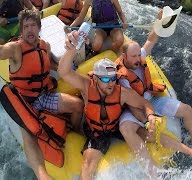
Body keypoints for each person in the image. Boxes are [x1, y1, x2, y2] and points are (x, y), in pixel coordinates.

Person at [115, 10, 192, 169]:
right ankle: (151, 168)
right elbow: (133, 103)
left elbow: (152, 38)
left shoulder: (139, 57)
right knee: (128, 128)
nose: (138, 59)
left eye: (138, 55)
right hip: (135, 106)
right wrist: (147, 120)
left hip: (151, 99)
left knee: (186, 110)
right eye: (133, 56)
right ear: (124, 57)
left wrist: (159, 20)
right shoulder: (120, 76)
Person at [58, 31, 160, 179]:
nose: (110, 83)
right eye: (105, 80)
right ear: (96, 78)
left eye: (112, 78)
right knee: (87, 164)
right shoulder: (86, 86)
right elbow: (64, 72)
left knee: (151, 135)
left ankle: (184, 152)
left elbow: (144, 103)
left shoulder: (122, 92)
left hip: (115, 126)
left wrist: (151, 116)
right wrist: (71, 49)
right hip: (96, 132)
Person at [0, 9, 83, 180]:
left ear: (39, 28)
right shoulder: (14, 49)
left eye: (33, 26)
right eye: (26, 27)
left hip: (43, 95)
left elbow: (51, 65)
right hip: (23, 102)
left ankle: (75, 133)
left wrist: (72, 65)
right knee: (29, 133)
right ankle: (42, 175)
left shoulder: (45, 45)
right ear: (21, 31)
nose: (30, 29)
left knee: (78, 105)